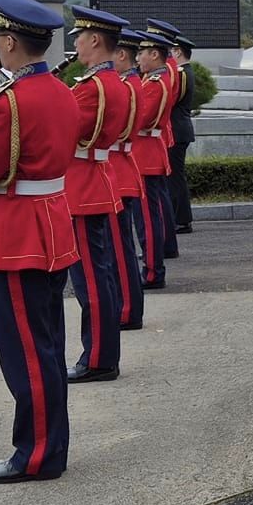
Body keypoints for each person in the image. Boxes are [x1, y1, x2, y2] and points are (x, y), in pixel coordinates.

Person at [0, 0, 82, 482]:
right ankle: (48, 446)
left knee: (26, 352)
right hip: (52, 225)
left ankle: (38, 454)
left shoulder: (7, 103)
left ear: (8, 41)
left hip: (17, 237)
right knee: (45, 346)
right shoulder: (63, 92)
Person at [63, 7, 131, 383]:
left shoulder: (94, 87)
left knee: (91, 281)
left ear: (93, 40)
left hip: (84, 186)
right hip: (92, 180)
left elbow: (67, 132)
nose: (75, 43)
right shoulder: (107, 82)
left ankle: (100, 359)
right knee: (98, 277)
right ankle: (101, 354)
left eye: (79, 36)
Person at [109, 31, 149, 330]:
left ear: (122, 55)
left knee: (120, 253)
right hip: (120, 167)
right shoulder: (133, 83)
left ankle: (127, 310)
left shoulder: (127, 86)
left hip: (117, 170)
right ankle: (128, 307)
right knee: (120, 250)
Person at [132, 32, 177, 287]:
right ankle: (152, 266)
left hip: (146, 155)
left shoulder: (153, 84)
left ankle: (152, 271)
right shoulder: (154, 80)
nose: (138, 58)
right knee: (149, 216)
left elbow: (140, 119)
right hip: (148, 153)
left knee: (147, 219)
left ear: (154, 55)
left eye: (141, 53)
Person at [145, 18, 188, 258]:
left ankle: (161, 245)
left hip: (156, 134)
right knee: (160, 196)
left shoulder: (165, 71)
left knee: (156, 200)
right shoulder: (172, 67)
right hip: (161, 133)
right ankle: (167, 243)